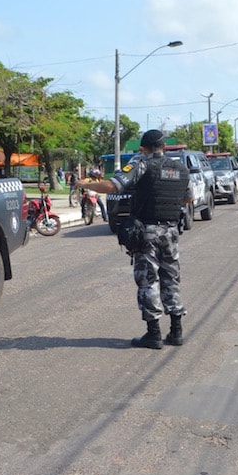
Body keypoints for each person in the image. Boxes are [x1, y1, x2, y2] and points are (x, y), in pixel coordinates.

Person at [76, 130, 190, 348]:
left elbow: (112, 186)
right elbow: (187, 198)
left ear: (143, 148)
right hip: (171, 232)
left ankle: (154, 334)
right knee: (171, 278)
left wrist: (86, 185)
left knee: (149, 280)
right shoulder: (181, 168)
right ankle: (176, 331)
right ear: (163, 146)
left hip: (147, 232)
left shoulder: (142, 165)